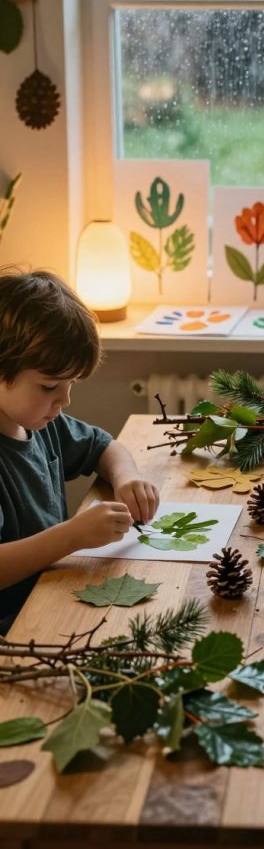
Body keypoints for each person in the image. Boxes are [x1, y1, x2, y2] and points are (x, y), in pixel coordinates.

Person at [0, 268, 160, 634]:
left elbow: (105, 447)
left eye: (71, 384)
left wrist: (127, 478)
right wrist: (72, 536)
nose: (64, 400)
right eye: (50, 385)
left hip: (48, 599)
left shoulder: (41, 422)